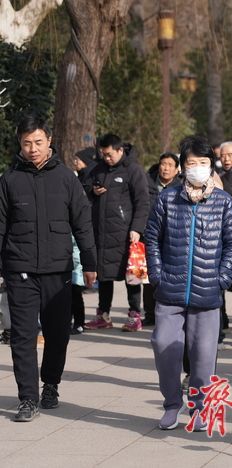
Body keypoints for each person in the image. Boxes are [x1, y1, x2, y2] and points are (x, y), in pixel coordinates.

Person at [0, 114, 97, 422]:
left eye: (38, 142)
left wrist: (91, 263)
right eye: (26, 143)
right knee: (22, 336)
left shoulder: (67, 178)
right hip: (21, 269)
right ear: (20, 143)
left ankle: (50, 384)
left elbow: (82, 223)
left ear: (49, 141)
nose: (33, 149)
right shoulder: (9, 180)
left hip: (58, 270)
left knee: (57, 335)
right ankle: (27, 398)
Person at [146, 136, 232, 431]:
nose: (197, 168)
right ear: (182, 167)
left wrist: (221, 279)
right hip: (169, 291)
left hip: (207, 292)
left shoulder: (223, 201)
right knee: (165, 346)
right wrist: (158, 276)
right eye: (192, 163)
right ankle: (172, 404)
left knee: (203, 354)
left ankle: (201, 406)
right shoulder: (167, 198)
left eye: (203, 163)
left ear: (211, 167)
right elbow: (152, 238)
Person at [84, 133, 150, 332]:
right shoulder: (99, 169)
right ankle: (103, 314)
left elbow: (143, 202)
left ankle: (134, 315)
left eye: (109, 154)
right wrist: (93, 191)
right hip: (102, 232)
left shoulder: (133, 170)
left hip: (126, 233)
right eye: (103, 154)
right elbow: (84, 187)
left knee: (131, 276)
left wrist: (137, 228)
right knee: (104, 275)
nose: (106, 158)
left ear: (120, 150)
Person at [142, 152, 182, 326]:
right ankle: (150, 314)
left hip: (173, 237)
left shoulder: (181, 187)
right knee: (149, 277)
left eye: (169, 165)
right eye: (163, 164)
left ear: (176, 169)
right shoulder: (147, 183)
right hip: (151, 235)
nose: (165, 168)